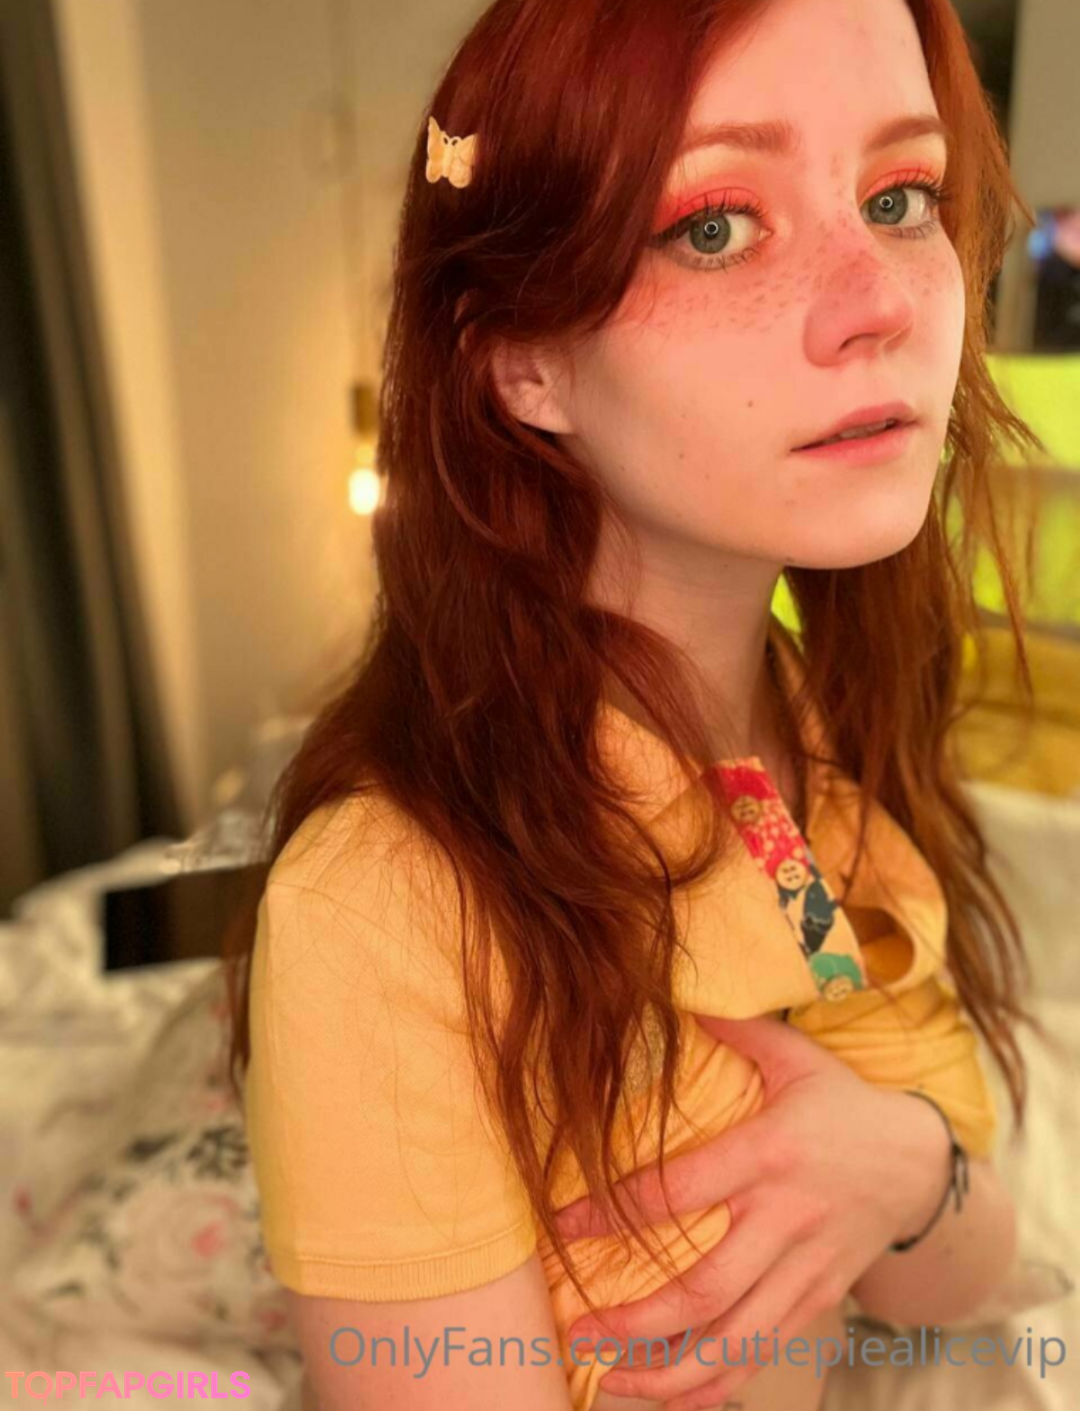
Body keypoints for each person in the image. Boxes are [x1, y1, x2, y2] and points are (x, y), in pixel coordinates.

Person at [223, 0, 1052, 1407]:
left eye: (899, 197)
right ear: (521, 360)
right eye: (715, 225)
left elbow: (956, 1272)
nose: (885, 302)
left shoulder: (809, 743)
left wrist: (901, 1166)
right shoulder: (383, 912)